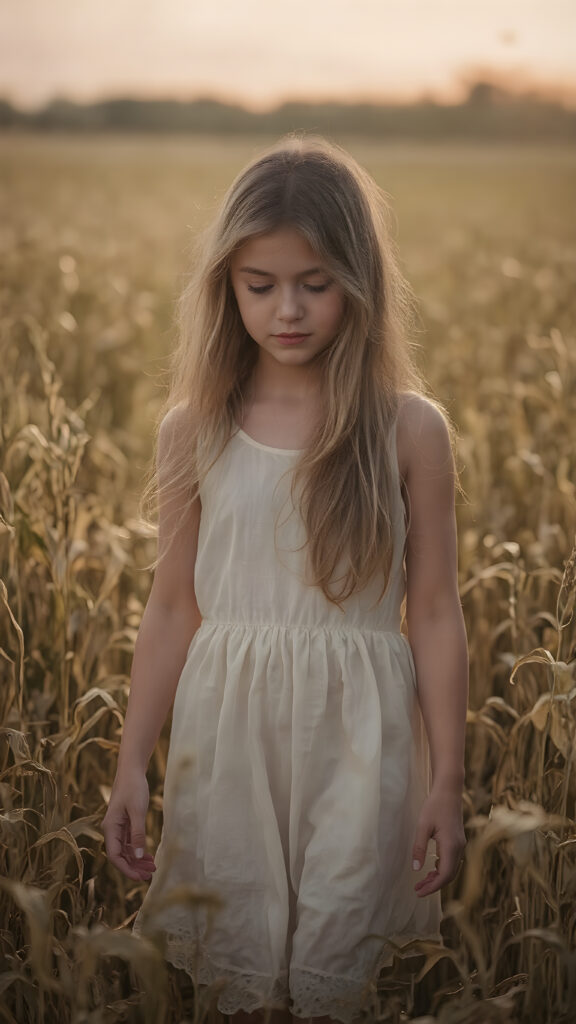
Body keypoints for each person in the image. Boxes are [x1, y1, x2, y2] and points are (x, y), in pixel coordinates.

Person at [102, 136, 468, 1024]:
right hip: (227, 740)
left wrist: (448, 780)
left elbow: (433, 613)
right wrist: (130, 765)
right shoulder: (195, 429)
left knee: (338, 981)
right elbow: (172, 607)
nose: (288, 310)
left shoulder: (408, 430)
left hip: (363, 743)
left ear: (362, 283)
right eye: (259, 285)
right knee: (239, 987)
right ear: (226, 287)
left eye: (317, 282)